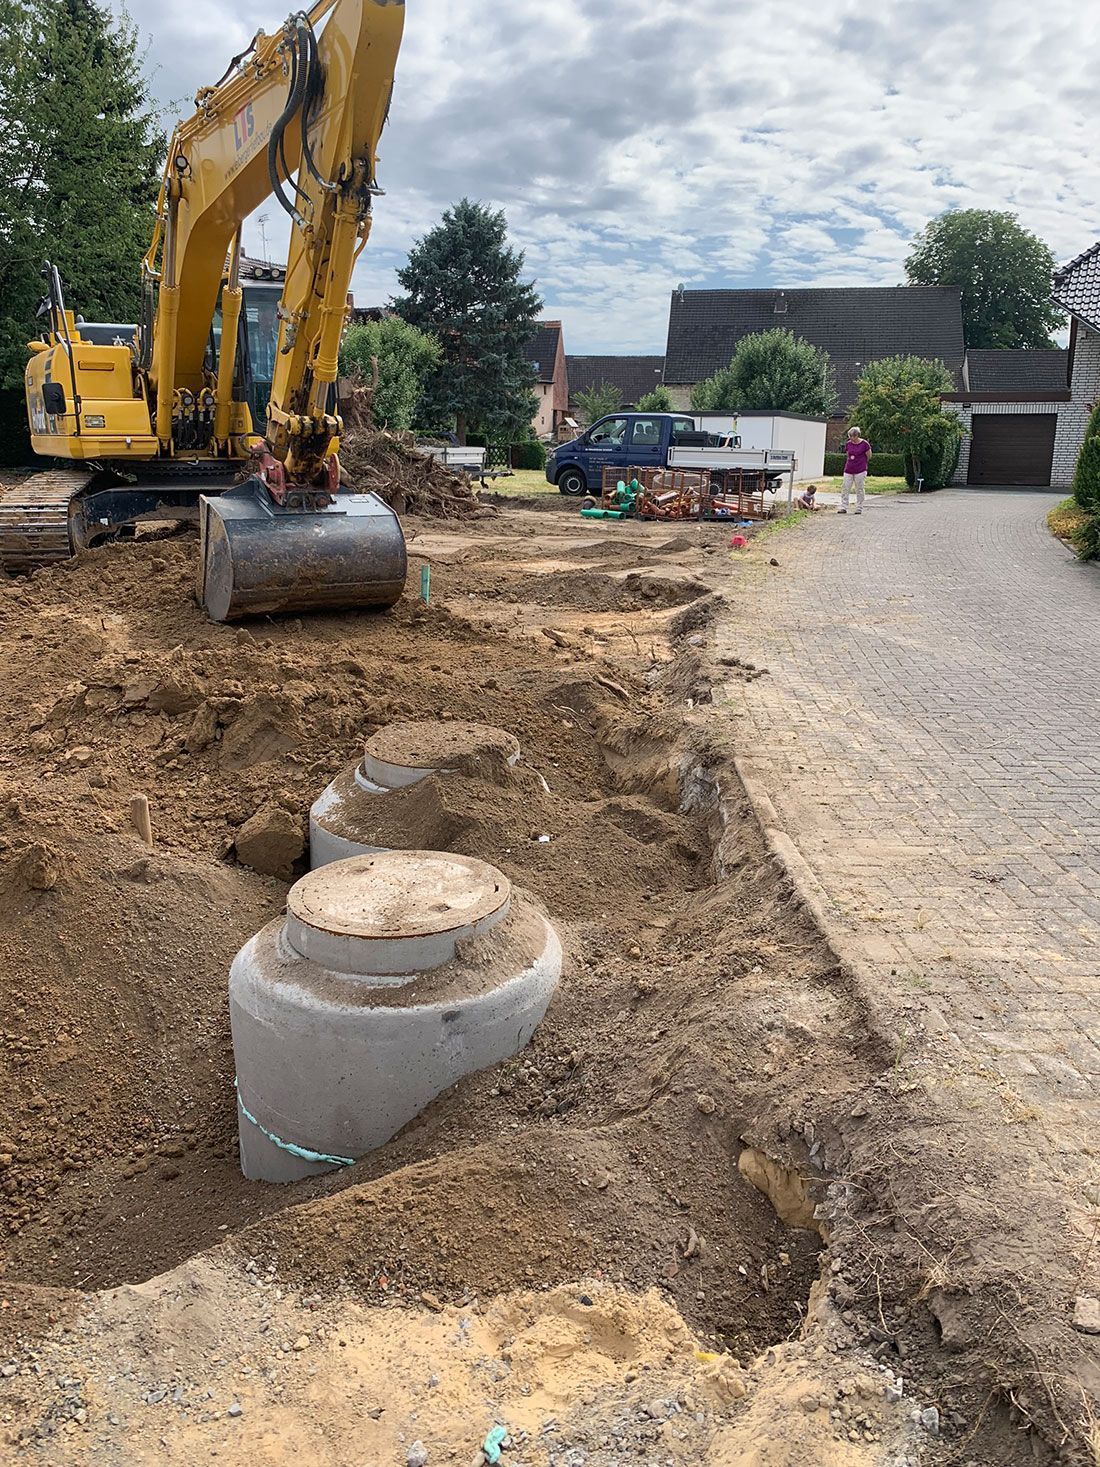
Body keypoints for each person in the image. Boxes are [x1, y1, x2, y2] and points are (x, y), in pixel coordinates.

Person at [840, 427, 871, 515]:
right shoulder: (848, 444)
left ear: (857, 435)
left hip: (860, 469)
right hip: (849, 469)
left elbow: (869, 455)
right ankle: (844, 507)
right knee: (845, 487)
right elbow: (848, 455)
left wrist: (862, 462)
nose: (851, 438)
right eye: (850, 436)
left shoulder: (865, 444)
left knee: (859, 488)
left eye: (853, 436)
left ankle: (859, 507)